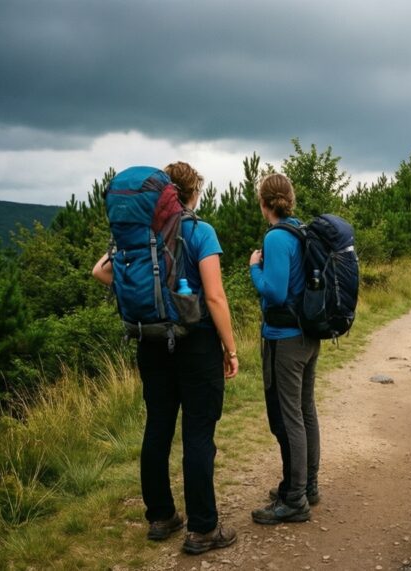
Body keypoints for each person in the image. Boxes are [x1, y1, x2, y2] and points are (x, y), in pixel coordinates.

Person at [92, 162, 239, 553]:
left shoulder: (139, 236)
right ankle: (203, 529)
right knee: (197, 433)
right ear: (190, 195)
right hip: (196, 343)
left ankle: (161, 517)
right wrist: (231, 348)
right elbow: (214, 297)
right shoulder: (199, 231)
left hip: (151, 340)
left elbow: (99, 272)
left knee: (157, 426)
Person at [249, 173, 322, 524]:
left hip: (285, 338)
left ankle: (293, 499)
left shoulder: (277, 236)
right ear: (289, 199)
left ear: (264, 202)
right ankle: (306, 486)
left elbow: (275, 291)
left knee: (289, 415)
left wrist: (253, 269)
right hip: (308, 335)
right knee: (305, 411)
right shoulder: (300, 230)